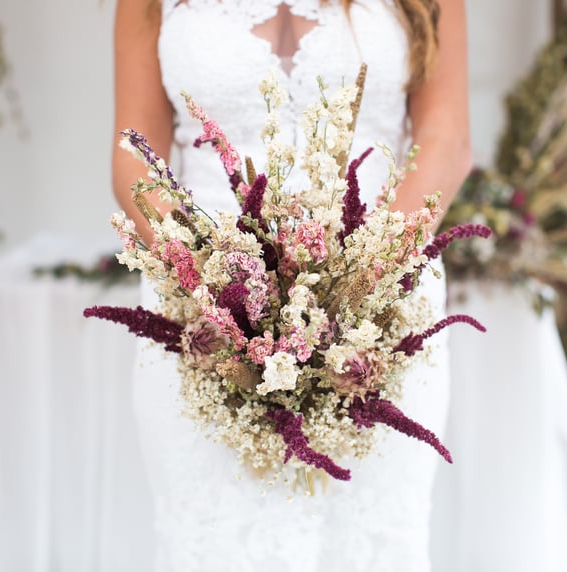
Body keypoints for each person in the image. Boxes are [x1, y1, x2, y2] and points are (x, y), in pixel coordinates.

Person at [112, 1, 470, 570]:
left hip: (384, 299)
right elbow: (134, 156)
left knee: (372, 541)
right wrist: (206, 280)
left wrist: (361, 284)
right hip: (201, 311)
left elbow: (446, 139)